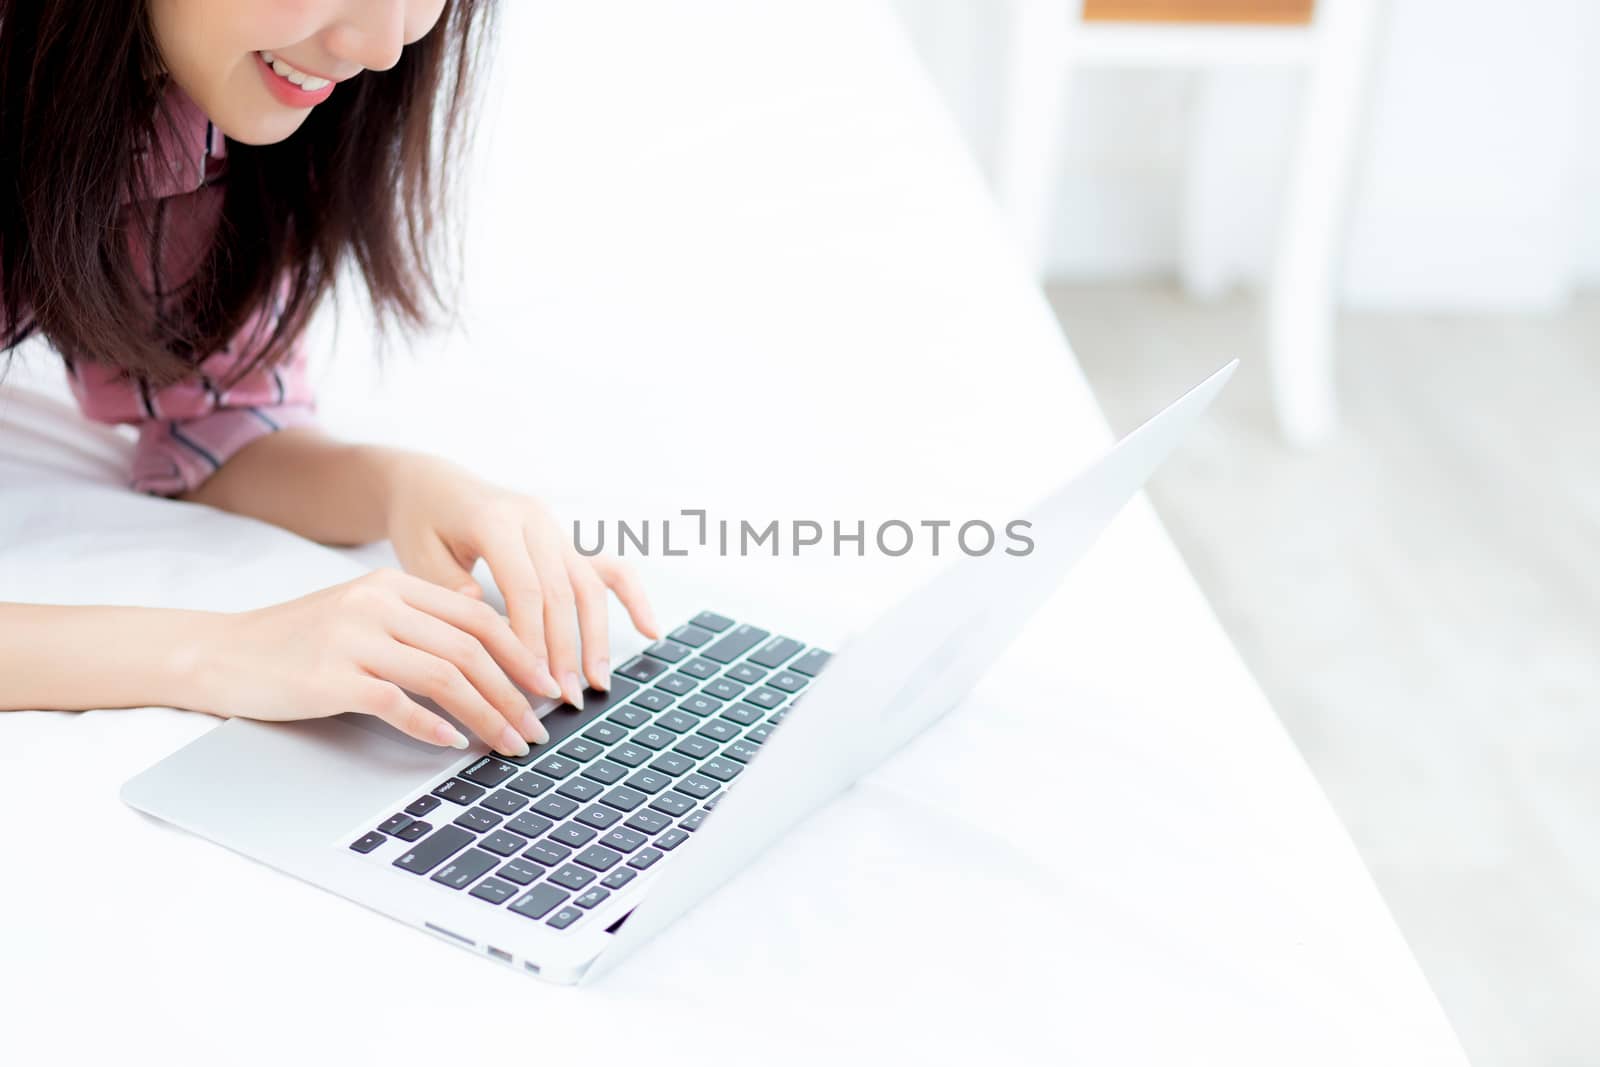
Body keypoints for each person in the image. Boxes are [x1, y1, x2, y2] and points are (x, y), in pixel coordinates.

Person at [0, 0, 659, 758]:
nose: (381, 47)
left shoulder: (202, 102)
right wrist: (216, 653)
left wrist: (408, 488)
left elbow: (210, 421)